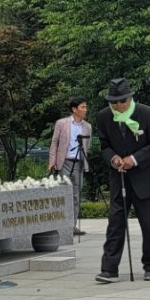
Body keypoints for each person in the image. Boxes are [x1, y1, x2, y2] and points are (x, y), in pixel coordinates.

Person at [94, 78, 150, 283]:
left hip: (145, 178)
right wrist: (113, 158)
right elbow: (104, 146)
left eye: (122, 101)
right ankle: (109, 269)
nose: (118, 105)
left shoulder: (146, 113)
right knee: (115, 224)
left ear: (130, 98)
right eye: (114, 102)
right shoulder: (104, 116)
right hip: (119, 178)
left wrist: (134, 159)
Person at [48, 97, 91, 237]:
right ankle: (62, 225)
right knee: (63, 193)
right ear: (74, 109)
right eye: (83, 107)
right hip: (64, 162)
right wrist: (52, 160)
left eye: (85, 107)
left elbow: (87, 146)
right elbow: (54, 142)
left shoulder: (87, 127)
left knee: (76, 195)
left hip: (79, 163)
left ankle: (72, 226)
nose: (85, 110)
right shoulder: (62, 123)